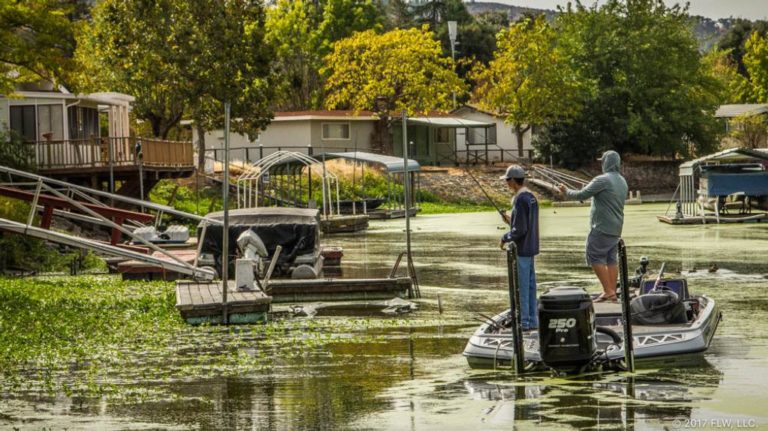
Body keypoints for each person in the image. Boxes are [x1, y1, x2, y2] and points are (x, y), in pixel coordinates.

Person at [558, 150, 628, 302]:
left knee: (594, 255)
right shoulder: (622, 181)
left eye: (602, 161)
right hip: (616, 228)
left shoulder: (602, 180)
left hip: (601, 227)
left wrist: (565, 191)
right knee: (611, 259)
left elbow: (581, 195)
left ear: (606, 163)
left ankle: (608, 291)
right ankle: (612, 292)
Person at [499, 165, 540, 331]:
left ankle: (524, 323)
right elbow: (525, 225)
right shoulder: (531, 197)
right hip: (531, 247)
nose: (507, 184)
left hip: (522, 249)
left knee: (522, 287)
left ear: (513, 181)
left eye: (507, 181)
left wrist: (504, 238)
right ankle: (532, 321)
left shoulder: (520, 199)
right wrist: (511, 220)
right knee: (530, 286)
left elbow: (520, 230)